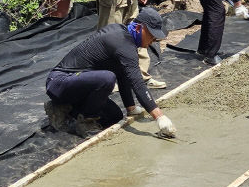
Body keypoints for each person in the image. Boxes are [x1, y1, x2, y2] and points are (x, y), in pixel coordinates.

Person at [44, 7, 176, 138]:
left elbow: (124, 74)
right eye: (152, 35)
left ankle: (64, 109)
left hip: (76, 84)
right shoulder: (121, 42)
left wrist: (131, 109)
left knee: (115, 116)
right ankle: (85, 121)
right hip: (60, 82)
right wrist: (159, 117)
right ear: (138, 28)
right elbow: (137, 83)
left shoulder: (124, 37)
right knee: (107, 78)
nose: (153, 40)